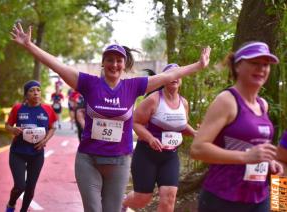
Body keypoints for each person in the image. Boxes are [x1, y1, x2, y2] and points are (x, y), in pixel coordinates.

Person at [11, 23, 210, 212]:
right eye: (110, 60)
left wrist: (199, 65)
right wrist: (29, 45)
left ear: (124, 64)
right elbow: (57, 65)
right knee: (94, 210)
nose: (114, 64)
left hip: (119, 162)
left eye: (118, 60)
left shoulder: (133, 87)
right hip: (88, 160)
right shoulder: (89, 83)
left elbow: (168, 76)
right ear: (103, 63)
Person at [190, 41, 283, 212]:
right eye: (255, 63)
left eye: (266, 64)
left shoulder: (263, 105)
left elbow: (252, 147)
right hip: (224, 198)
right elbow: (197, 149)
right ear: (238, 66)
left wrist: (268, 161)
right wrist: (245, 157)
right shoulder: (227, 101)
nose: (261, 69)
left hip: (258, 197)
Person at [122, 64, 197, 212]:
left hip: (170, 156)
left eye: (178, 73)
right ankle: (122, 203)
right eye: (171, 73)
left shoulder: (184, 103)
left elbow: (181, 125)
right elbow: (134, 122)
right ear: (164, 78)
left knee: (169, 198)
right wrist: (150, 138)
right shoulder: (153, 100)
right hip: (147, 155)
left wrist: (195, 133)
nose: (174, 76)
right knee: (142, 199)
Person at [5, 80, 57, 212]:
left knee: (30, 188)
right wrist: (13, 130)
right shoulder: (18, 108)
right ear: (26, 95)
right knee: (20, 185)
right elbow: (8, 125)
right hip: (18, 153)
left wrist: (45, 140)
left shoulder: (47, 109)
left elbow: (52, 128)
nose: (36, 93)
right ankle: (11, 204)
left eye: (38, 90)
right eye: (32, 90)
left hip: (37, 154)